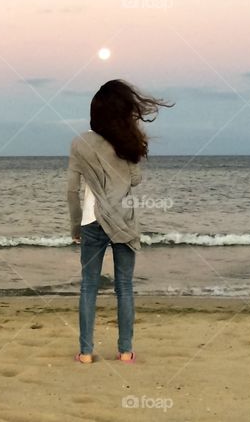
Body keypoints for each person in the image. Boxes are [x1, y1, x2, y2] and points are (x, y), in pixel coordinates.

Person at [67, 79, 171, 364]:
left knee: (89, 286)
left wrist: (75, 226)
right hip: (124, 221)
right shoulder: (126, 141)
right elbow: (135, 181)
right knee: (124, 286)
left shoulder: (80, 143)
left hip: (91, 222)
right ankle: (125, 351)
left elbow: (71, 190)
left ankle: (86, 353)